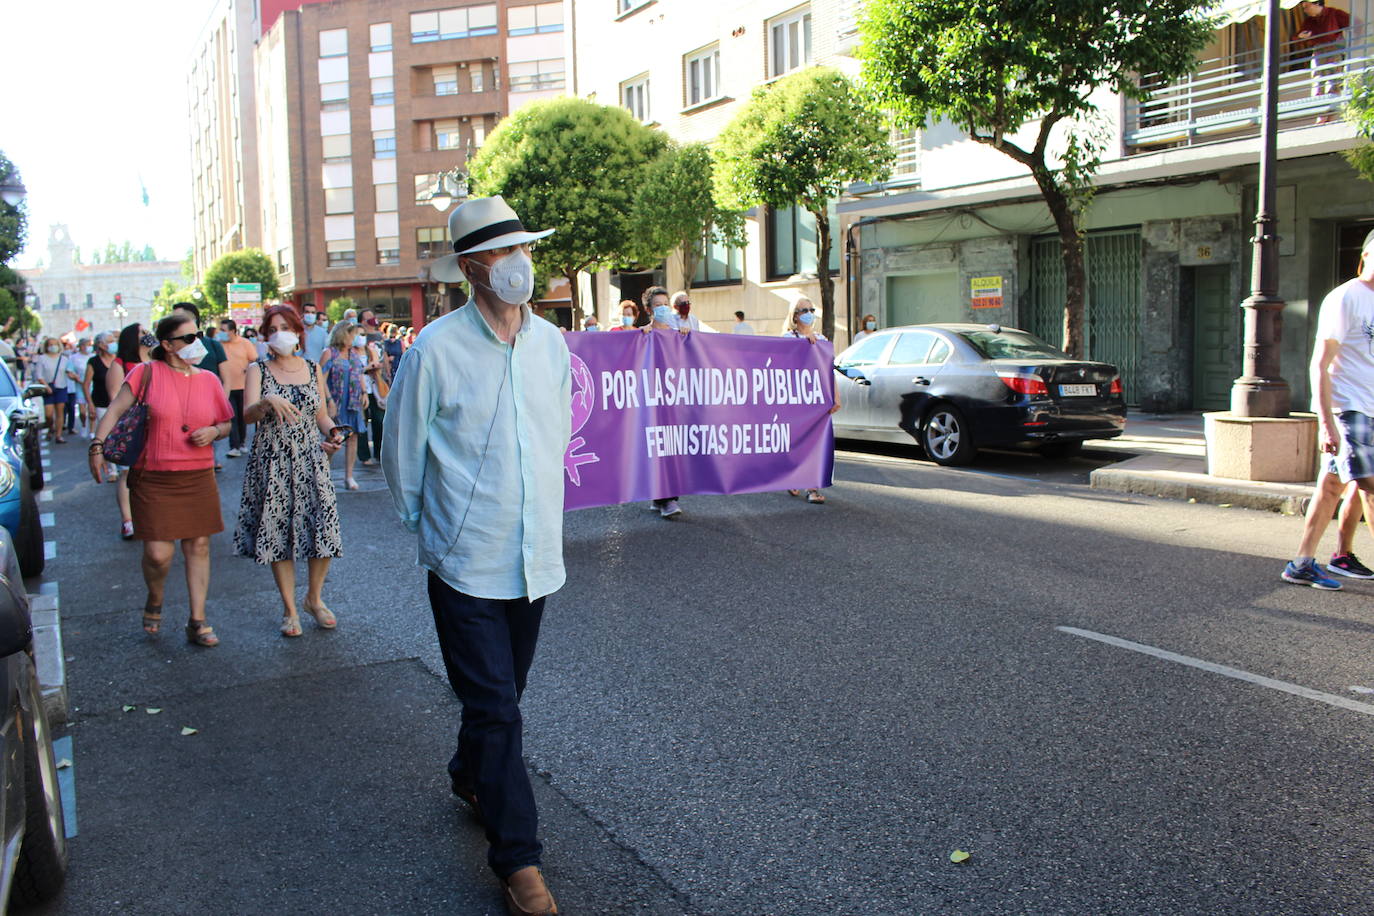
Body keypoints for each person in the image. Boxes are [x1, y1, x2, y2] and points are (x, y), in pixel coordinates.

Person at [383, 195, 569, 916]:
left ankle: (468, 772)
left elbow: (553, 433)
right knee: (498, 708)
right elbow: (404, 452)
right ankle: (518, 861)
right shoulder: (435, 349)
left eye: (525, 247)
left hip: (533, 558)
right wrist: (433, 532)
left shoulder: (551, 344)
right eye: (503, 253)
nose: (520, 262)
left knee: (503, 698)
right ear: (470, 268)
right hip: (466, 562)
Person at [88, 314, 234, 646]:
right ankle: (155, 597)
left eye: (197, 336)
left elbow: (226, 424)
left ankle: (198, 620)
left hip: (197, 475)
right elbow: (113, 411)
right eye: (187, 338)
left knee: (198, 545)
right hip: (153, 476)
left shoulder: (209, 380)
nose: (196, 343)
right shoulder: (145, 373)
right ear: (166, 345)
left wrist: (213, 431)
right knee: (158, 554)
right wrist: (96, 446)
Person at [235, 305, 345, 637]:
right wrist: (267, 402)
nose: (279, 333)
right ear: (265, 337)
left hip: (311, 458)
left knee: (321, 528)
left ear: (298, 331)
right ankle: (289, 608)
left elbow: (321, 415)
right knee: (279, 533)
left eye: (285, 326)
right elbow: (248, 415)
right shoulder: (258, 370)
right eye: (272, 329)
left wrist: (334, 433)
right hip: (273, 461)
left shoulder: (313, 368)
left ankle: (314, 597)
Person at [1282, 229, 1374, 590]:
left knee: (1333, 484)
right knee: (1368, 484)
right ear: (1365, 257)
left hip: (1370, 406)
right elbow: (1319, 364)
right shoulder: (1345, 298)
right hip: (1349, 408)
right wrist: (1325, 422)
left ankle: (1302, 563)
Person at [782, 298, 840, 504]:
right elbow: (784, 367)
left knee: (816, 443)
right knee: (798, 442)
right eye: (804, 310)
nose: (809, 313)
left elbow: (828, 369)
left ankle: (812, 488)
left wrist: (836, 396)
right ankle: (794, 476)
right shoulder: (788, 338)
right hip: (796, 400)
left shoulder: (821, 338)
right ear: (795, 315)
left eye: (811, 309)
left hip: (817, 399)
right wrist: (804, 346)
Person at [642, 286, 689, 519]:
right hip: (652, 400)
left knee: (673, 447)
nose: (662, 308)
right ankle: (665, 499)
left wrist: (685, 334)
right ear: (649, 309)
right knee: (658, 447)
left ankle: (662, 497)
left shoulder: (678, 332)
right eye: (657, 304)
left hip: (674, 398)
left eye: (665, 303)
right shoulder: (643, 335)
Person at [108, 324, 154, 539]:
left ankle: (147, 515)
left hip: (155, 425)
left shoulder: (155, 361)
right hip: (132, 426)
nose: (147, 336)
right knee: (127, 472)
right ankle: (128, 520)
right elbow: (116, 399)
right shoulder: (119, 365)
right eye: (142, 333)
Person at [321, 322, 367, 490]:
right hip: (336, 402)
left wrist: (364, 392)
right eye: (352, 335)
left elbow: (359, 374)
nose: (355, 338)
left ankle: (349, 476)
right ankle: (323, 474)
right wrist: (329, 400)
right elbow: (321, 379)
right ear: (343, 334)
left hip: (353, 402)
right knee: (332, 437)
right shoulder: (329, 353)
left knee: (352, 436)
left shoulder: (353, 354)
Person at [1293, 0, 1350, 107]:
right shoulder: (1309, 21)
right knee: (1317, 78)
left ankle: (1331, 112)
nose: (1304, 10)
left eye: (1306, 7)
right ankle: (1320, 111)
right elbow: (1297, 37)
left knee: (1333, 79)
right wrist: (1300, 37)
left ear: (1316, 4)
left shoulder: (1334, 13)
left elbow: (1352, 23)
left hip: (1334, 49)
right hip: (1319, 51)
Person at [217, 318, 259, 458]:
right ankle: (233, 446)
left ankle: (241, 443)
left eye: (224, 330)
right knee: (231, 416)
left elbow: (254, 359)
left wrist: (247, 371)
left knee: (242, 417)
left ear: (233, 331)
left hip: (243, 386)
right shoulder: (219, 345)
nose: (221, 333)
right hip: (226, 387)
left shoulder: (244, 343)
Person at [30, 337, 70, 444]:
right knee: (48, 414)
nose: (53, 346)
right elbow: (39, 374)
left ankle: (58, 435)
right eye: (50, 344)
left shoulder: (64, 359)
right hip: (47, 388)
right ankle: (50, 427)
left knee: (60, 412)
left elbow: (69, 371)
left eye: (55, 344)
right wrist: (46, 386)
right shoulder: (42, 358)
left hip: (61, 387)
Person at [67, 338, 94, 438]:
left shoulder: (93, 357)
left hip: (93, 386)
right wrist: (76, 378)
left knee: (92, 409)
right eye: (87, 345)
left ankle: (91, 431)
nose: (89, 347)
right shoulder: (74, 358)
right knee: (82, 412)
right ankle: (83, 424)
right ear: (82, 346)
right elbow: (69, 371)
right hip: (81, 386)